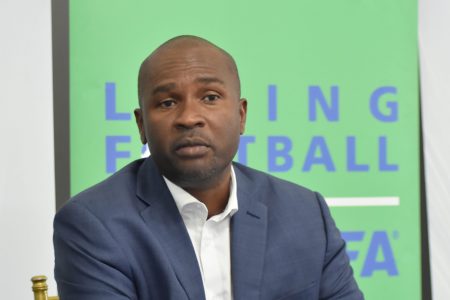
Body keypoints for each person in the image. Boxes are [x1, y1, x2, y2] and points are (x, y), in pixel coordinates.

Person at [53, 35, 364, 300]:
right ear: (141, 125)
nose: (189, 117)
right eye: (167, 102)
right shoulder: (94, 224)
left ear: (241, 115)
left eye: (210, 97)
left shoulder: (306, 213)